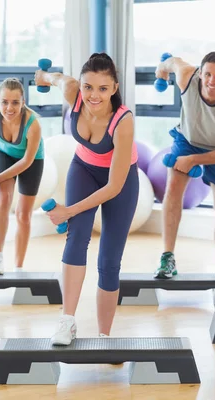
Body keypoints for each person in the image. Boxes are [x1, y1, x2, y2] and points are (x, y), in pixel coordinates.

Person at [34, 53, 139, 346]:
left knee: (108, 259)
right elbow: (55, 78)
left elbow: (114, 186)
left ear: (114, 88)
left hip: (119, 182)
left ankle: (104, 335)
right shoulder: (73, 92)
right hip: (83, 169)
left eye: (102, 89)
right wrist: (41, 77)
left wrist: (68, 210)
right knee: (76, 237)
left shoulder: (123, 121)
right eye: (88, 86)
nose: (93, 95)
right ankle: (66, 322)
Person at [153, 51, 215, 279]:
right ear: (200, 72)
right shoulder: (187, 77)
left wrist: (194, 160)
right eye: (207, 74)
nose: (211, 81)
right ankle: (167, 258)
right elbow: (173, 61)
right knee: (173, 189)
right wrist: (162, 68)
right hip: (187, 139)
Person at [0, 78, 44, 274]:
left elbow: (26, 162)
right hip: (3, 153)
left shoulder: (33, 125)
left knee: (23, 215)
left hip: (30, 160)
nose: (9, 108)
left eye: (15, 102)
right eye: (5, 102)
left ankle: (18, 267)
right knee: (3, 200)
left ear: (23, 102)